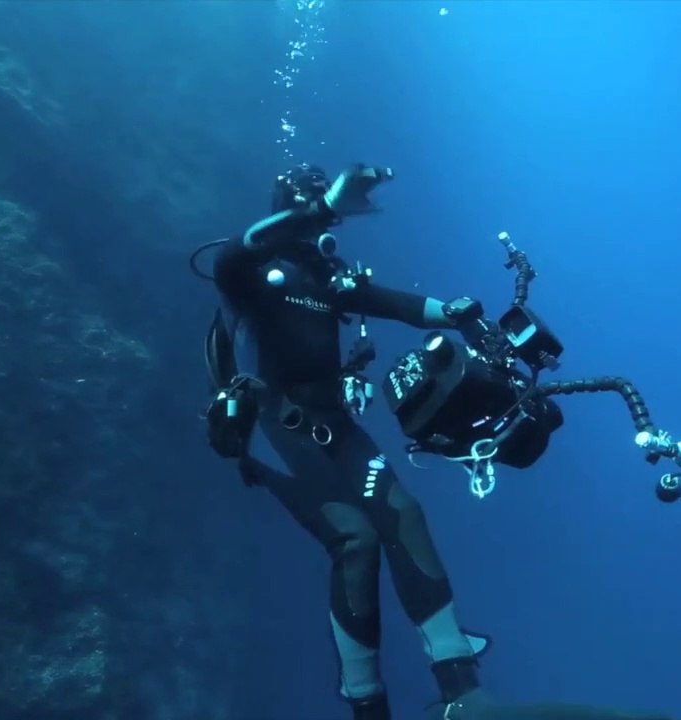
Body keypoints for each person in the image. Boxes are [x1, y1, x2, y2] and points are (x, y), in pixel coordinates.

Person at [202, 162, 493, 719]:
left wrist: (457, 313)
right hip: (269, 426)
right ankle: (367, 705)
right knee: (354, 540)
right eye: (310, 208)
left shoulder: (326, 277)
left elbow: (393, 303)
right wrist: (326, 209)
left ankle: (460, 682)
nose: (319, 228)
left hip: (335, 423)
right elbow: (232, 256)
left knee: (403, 513)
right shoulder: (247, 271)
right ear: (292, 209)